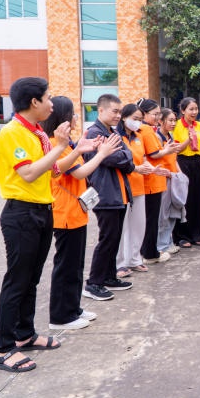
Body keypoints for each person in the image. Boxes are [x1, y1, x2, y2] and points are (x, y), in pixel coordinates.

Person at [0, 77, 71, 372]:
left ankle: (25, 334)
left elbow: (50, 172)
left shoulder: (37, 133)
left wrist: (77, 150)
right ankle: (4, 348)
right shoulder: (13, 133)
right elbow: (27, 174)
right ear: (34, 102)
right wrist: (61, 145)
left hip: (41, 209)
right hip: (21, 214)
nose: (52, 103)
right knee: (17, 280)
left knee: (32, 278)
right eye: (48, 98)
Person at [43, 96, 121, 330]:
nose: (76, 118)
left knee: (75, 265)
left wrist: (84, 148)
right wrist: (101, 153)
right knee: (66, 265)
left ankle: (73, 308)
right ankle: (61, 316)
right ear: (64, 119)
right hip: (64, 213)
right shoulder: (54, 144)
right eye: (73, 115)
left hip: (76, 211)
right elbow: (79, 173)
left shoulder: (66, 144)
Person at [82, 94, 135, 301]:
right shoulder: (94, 133)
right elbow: (111, 157)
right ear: (101, 110)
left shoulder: (112, 132)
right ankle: (93, 282)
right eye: (115, 111)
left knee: (114, 238)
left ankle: (109, 276)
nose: (118, 115)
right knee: (107, 239)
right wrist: (120, 156)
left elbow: (128, 157)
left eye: (120, 112)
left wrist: (121, 156)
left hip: (118, 193)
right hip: (105, 194)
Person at [116, 104, 168, 277]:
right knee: (122, 227)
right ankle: (120, 263)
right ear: (124, 117)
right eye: (135, 119)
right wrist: (138, 168)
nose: (138, 123)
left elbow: (143, 159)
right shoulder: (117, 137)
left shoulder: (138, 137)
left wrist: (154, 170)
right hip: (123, 186)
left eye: (139, 119)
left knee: (138, 225)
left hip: (139, 186)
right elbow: (119, 162)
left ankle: (135, 259)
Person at [136, 98, 176, 263]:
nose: (158, 117)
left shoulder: (143, 129)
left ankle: (147, 251)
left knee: (149, 219)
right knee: (151, 220)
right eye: (155, 114)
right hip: (152, 179)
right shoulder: (146, 130)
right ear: (144, 114)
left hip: (150, 178)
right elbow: (154, 153)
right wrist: (166, 150)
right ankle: (151, 253)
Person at [172, 97, 200, 248]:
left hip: (197, 162)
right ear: (183, 111)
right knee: (184, 200)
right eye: (191, 109)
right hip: (182, 162)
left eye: (196, 109)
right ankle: (182, 236)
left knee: (198, 199)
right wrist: (188, 140)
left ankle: (197, 234)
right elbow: (176, 149)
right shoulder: (176, 126)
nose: (194, 112)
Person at [155, 108, 186, 255]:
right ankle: (161, 245)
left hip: (173, 178)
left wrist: (180, 174)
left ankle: (167, 242)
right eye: (170, 120)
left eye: (175, 120)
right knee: (163, 214)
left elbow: (174, 158)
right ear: (161, 121)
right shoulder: (157, 138)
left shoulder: (170, 138)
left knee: (174, 211)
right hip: (162, 180)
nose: (173, 123)